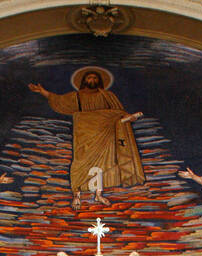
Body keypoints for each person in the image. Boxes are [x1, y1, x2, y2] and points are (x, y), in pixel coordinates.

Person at [29, 68, 144, 211]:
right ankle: (76, 194)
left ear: (100, 81)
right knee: (80, 163)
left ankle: (98, 194)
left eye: (95, 78)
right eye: (89, 78)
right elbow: (60, 101)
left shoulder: (107, 95)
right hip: (84, 132)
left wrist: (129, 117)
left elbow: (118, 112)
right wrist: (43, 92)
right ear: (84, 81)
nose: (92, 80)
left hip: (105, 132)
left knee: (104, 163)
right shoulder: (77, 96)